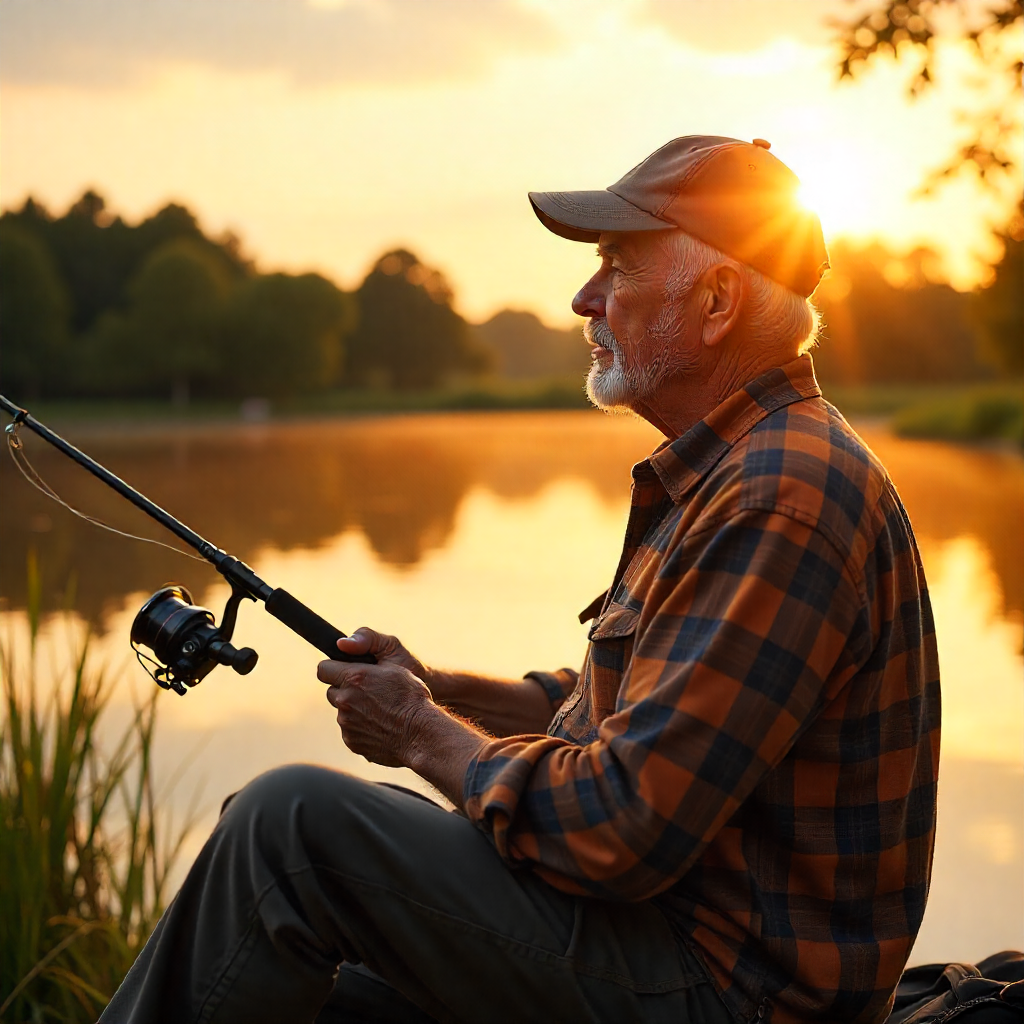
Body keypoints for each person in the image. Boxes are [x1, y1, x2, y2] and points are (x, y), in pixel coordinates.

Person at [101, 136, 940, 1024]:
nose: (585, 297)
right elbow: (646, 719)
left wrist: (422, 733)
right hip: (662, 945)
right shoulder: (742, 469)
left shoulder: (782, 495)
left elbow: (625, 825)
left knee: (290, 829)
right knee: (329, 979)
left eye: (616, 266)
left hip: (729, 992)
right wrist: (446, 691)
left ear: (718, 300)